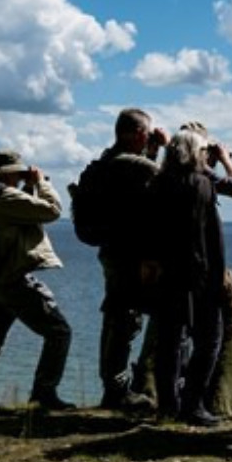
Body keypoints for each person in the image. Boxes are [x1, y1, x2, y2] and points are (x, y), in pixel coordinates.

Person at [142, 129, 232, 426]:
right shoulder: (200, 183)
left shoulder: (158, 183)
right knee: (210, 339)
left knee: (169, 341)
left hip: (167, 273)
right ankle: (193, 404)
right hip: (199, 273)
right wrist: (222, 158)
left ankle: (168, 405)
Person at [0, 149, 74, 411]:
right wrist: (41, 184)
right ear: (9, 173)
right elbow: (52, 210)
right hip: (13, 279)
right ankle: (44, 393)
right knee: (59, 332)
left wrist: (26, 185)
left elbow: (19, 213)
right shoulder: (6, 198)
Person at [94, 108, 167, 411]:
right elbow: (160, 185)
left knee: (116, 316)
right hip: (129, 255)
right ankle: (118, 391)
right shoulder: (131, 164)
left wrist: (152, 149)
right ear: (139, 134)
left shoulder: (108, 160)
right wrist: (161, 149)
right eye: (148, 135)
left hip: (112, 250)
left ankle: (113, 387)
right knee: (126, 320)